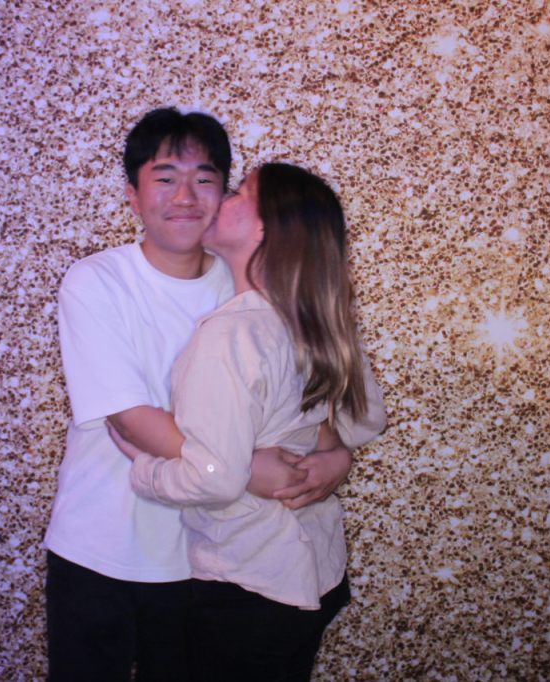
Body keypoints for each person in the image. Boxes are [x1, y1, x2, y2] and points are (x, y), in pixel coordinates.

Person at [44, 108, 355, 682]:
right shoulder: (97, 281)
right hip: (103, 546)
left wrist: (336, 456)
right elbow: (130, 417)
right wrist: (244, 470)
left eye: (205, 179)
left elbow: (312, 396)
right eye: (165, 178)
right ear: (133, 196)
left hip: (207, 563)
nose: (185, 196)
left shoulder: (247, 283)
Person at [109, 162, 387, 681]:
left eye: (239, 192)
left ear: (266, 229)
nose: (219, 198)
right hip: (315, 574)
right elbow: (365, 421)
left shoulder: (231, 335)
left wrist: (144, 467)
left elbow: (212, 479)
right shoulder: (311, 321)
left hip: (247, 583)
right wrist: (332, 452)